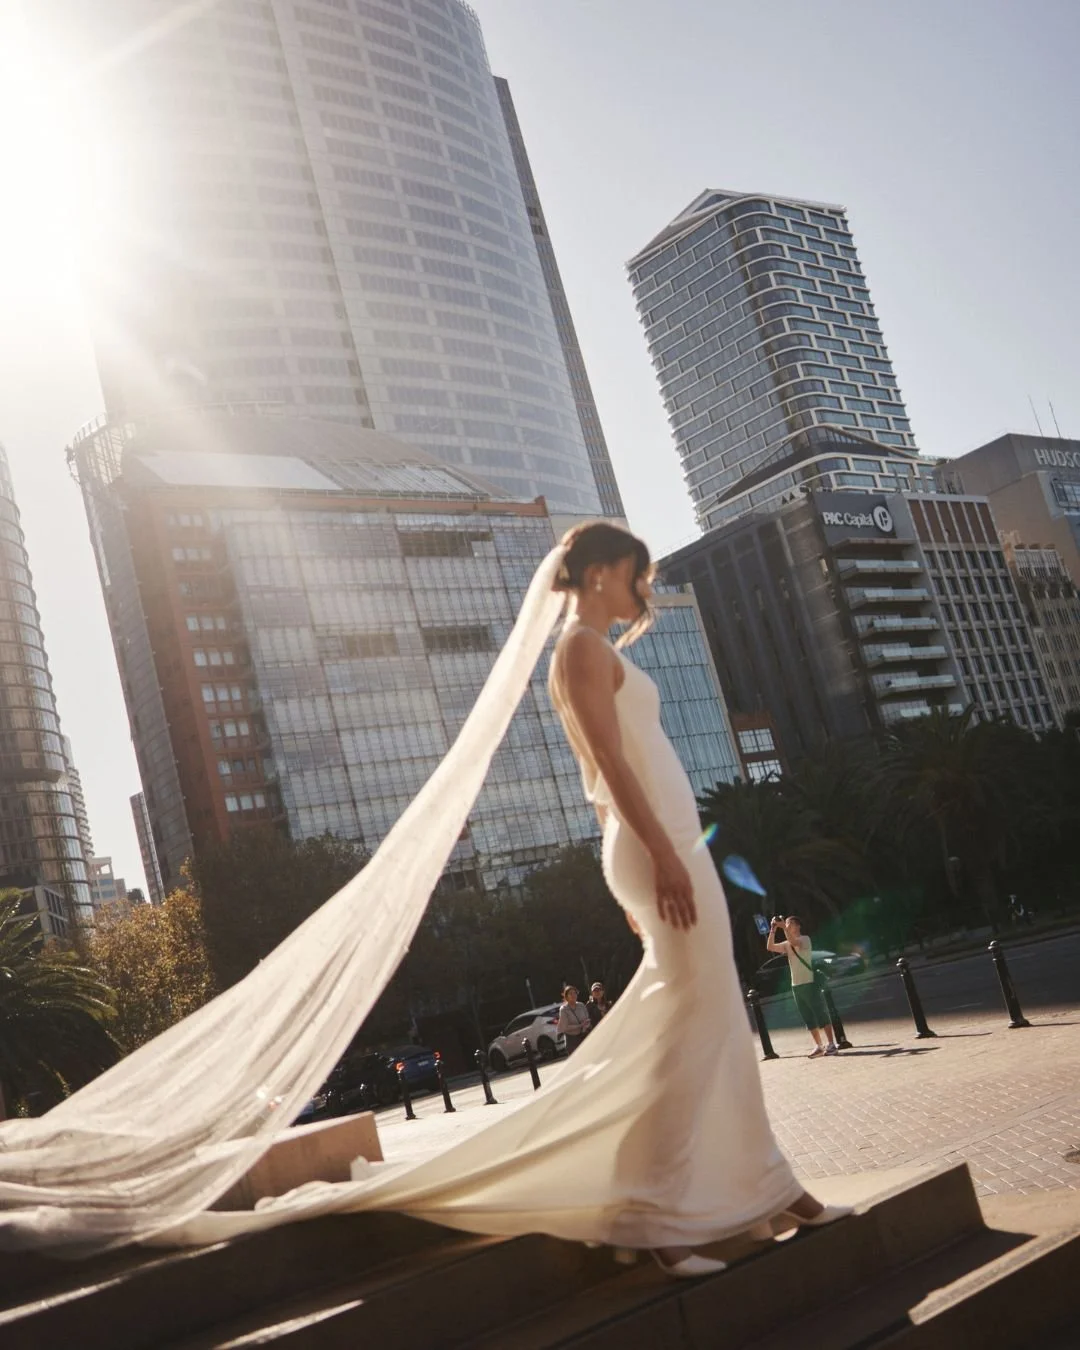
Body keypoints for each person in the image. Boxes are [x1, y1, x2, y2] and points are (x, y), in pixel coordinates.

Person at [0, 522, 850, 1270]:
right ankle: (692, 1204)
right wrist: (657, 856)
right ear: (599, 574)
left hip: (658, 848)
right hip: (658, 846)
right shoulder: (582, 652)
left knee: (705, 1018)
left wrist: (645, 864)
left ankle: (748, 1193)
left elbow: (604, 780)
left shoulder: (590, 652)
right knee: (703, 1019)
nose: (645, 592)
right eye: (638, 576)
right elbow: (606, 767)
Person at [767, 916, 839, 1058]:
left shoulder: (805, 939)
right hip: (796, 985)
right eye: (787, 923)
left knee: (820, 1013)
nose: (788, 925)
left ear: (798, 926)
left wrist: (783, 927)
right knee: (807, 1017)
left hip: (809, 983)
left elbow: (794, 943)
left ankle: (831, 1044)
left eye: (790, 924)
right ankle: (819, 1046)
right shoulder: (786, 944)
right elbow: (770, 947)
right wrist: (773, 929)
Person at [556, 985, 590, 1054]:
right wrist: (580, 1026)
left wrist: (584, 1028)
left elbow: (587, 1019)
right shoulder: (564, 1009)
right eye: (570, 993)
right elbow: (565, 1027)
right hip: (571, 1040)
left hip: (583, 1036)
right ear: (566, 996)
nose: (573, 995)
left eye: (575, 993)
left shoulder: (581, 1005)